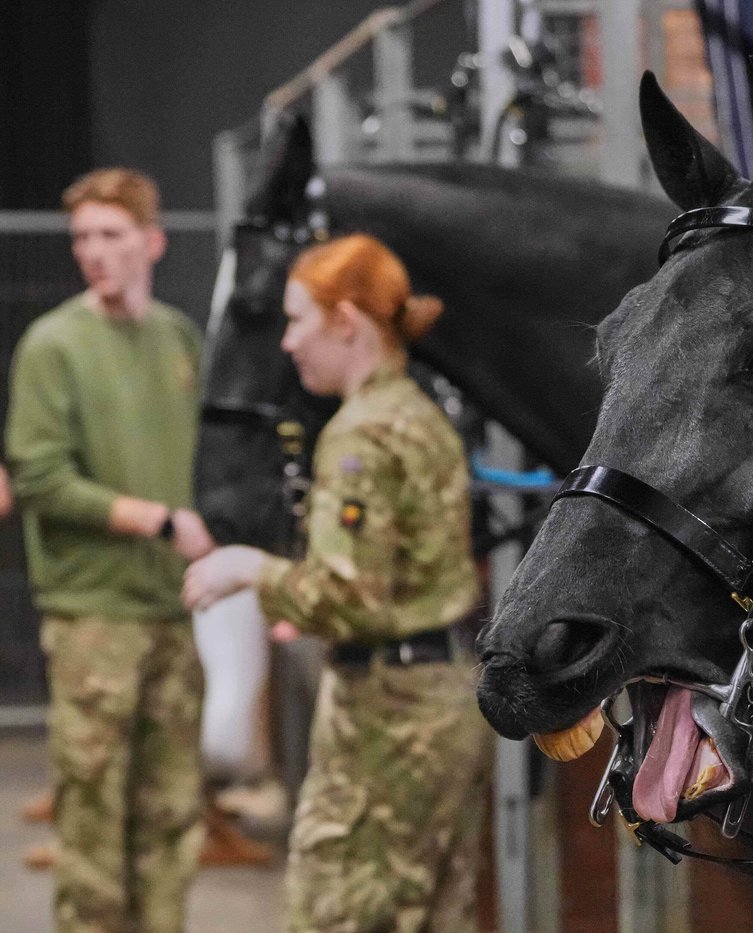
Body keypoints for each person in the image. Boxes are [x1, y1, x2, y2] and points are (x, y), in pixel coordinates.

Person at [183, 232, 494, 932]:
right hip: (443, 699)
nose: (288, 342)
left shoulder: (360, 433)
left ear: (346, 321)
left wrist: (251, 567)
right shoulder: (420, 414)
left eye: (298, 320)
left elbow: (348, 595)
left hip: (387, 717)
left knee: (330, 914)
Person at [6, 167, 216, 932]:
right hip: (94, 617)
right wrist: (157, 518)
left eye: (110, 235)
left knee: (170, 821)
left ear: (151, 242)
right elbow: (38, 475)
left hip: (172, 609)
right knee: (92, 834)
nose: (93, 251)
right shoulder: (54, 344)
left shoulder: (177, 338)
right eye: (82, 238)